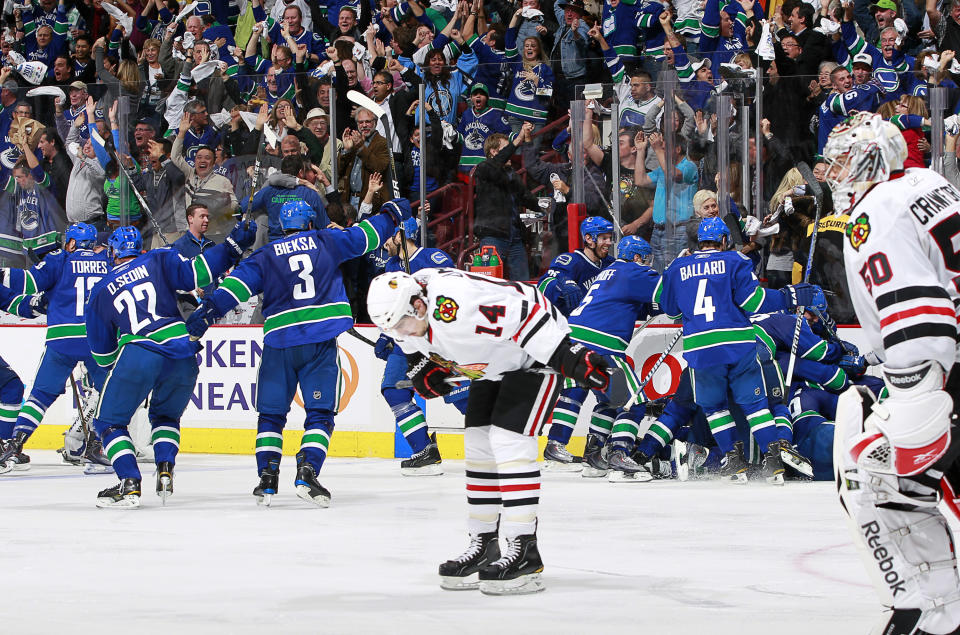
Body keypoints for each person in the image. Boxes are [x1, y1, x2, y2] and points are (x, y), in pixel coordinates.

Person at [366, 266, 612, 595]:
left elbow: (525, 315)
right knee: (479, 446)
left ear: (420, 306)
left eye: (401, 325)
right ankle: (484, 543)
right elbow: (412, 348)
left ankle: (524, 548)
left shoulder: (456, 306)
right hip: (490, 366)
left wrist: (570, 356)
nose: (400, 333)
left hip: (531, 356)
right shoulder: (404, 310)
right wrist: (422, 367)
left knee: (510, 441)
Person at [825, 111, 960, 634]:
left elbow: (918, 307)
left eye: (842, 161)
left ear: (867, 159)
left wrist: (913, 394)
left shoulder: (875, 210)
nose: (835, 174)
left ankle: (938, 611)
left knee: (881, 475)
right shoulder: (927, 182)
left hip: (940, 361)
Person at [185, 199, 409, 507]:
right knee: (319, 414)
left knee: (271, 415)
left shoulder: (265, 255)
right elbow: (364, 237)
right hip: (318, 343)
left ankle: (267, 476)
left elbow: (234, 289)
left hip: (279, 344)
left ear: (280, 226)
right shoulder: (325, 240)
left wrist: (207, 313)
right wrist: (390, 215)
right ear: (309, 223)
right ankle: (307, 471)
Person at [78, 221, 256, 508]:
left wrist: (121, 370)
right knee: (165, 418)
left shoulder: (101, 289)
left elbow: (102, 353)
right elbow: (198, 272)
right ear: (140, 248)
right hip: (182, 350)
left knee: (108, 422)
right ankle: (164, 470)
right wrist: (233, 246)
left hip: (139, 352)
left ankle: (129, 483)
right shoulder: (160, 257)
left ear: (113, 253)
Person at [655, 217, 820, 485]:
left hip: (701, 348)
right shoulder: (735, 261)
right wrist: (789, 296)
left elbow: (669, 309)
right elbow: (752, 301)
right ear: (723, 241)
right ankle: (773, 459)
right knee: (755, 406)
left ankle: (734, 461)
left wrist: (671, 270)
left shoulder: (678, 267)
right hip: (738, 345)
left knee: (715, 409)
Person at [545, 235, 662, 480]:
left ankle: (580, 450)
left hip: (571, 339)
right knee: (632, 400)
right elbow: (667, 292)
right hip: (601, 343)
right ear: (638, 257)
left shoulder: (609, 271)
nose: (648, 264)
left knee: (587, 396)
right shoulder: (634, 271)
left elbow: (633, 303)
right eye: (646, 258)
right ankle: (619, 453)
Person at [0, 223, 108, 474]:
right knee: (107, 394)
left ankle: (14, 446)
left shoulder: (59, 260)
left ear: (71, 243)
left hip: (63, 339)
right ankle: (97, 445)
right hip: (98, 339)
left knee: (40, 396)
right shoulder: (106, 262)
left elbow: (27, 281)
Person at [373, 217, 467, 475]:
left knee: (461, 395)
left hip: (435, 339)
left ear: (401, 237)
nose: (385, 243)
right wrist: (386, 335)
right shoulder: (391, 266)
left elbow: (453, 297)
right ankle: (424, 450)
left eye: (389, 237)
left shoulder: (434, 259)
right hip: (404, 341)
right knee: (393, 390)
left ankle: (498, 444)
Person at [537, 216, 615, 317]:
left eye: (610, 238)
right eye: (604, 238)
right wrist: (560, 284)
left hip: (600, 322)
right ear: (589, 239)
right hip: (571, 326)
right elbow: (542, 286)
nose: (609, 243)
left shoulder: (610, 263)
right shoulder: (571, 262)